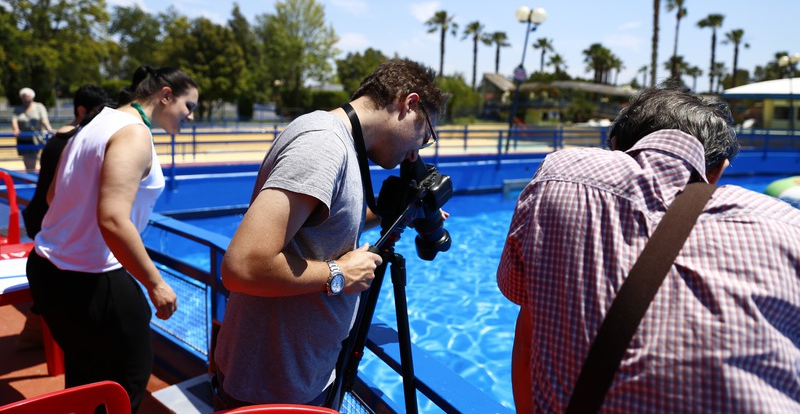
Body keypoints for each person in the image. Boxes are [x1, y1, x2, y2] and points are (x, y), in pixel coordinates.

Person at [497, 86, 800, 412]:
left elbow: (526, 319)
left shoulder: (559, 175)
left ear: (616, 146)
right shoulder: (787, 226)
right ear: (719, 170)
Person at [213, 59, 448, 409]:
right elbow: (242, 266)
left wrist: (397, 212)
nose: (415, 153)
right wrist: (340, 274)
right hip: (271, 386)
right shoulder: (323, 144)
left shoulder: (341, 143)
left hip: (294, 375)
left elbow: (322, 224)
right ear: (409, 104)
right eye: (424, 136)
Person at [26, 66, 199, 413]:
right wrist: (155, 283)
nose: (191, 116)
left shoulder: (94, 123)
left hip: (47, 269)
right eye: (189, 106)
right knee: (126, 383)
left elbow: (52, 196)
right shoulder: (134, 133)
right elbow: (113, 219)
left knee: (85, 378)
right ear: (166, 95)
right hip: (88, 278)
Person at [22, 84, 113, 238]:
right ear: (82, 111)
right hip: (54, 225)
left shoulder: (57, 138)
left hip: (39, 216)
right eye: (99, 112)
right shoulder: (77, 141)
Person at [11, 87, 54, 171]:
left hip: (38, 137)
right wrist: (16, 129)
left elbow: (44, 119)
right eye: (24, 96)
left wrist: (49, 129)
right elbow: (14, 120)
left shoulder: (39, 106)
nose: (26, 98)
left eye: (28, 96)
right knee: (29, 162)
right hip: (25, 138)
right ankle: (31, 174)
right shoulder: (18, 109)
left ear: (32, 97)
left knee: (44, 159)